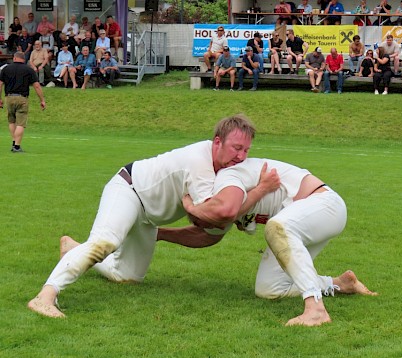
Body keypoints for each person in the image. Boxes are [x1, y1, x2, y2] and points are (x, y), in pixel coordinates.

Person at [27, 115, 259, 318]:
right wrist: (254, 196)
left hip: (149, 217)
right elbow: (211, 217)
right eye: (236, 148)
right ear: (218, 142)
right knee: (105, 242)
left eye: (246, 150)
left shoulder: (225, 169)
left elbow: (212, 230)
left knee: (127, 276)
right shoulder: (199, 161)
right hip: (129, 189)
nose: (241, 156)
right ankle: (45, 296)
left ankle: (72, 248)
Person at [174, 158, 378, 327]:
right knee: (269, 288)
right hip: (299, 223)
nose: (213, 225)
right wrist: (161, 234)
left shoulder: (227, 182)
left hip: (325, 205)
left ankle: (316, 310)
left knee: (277, 226)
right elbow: (208, 234)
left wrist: (192, 209)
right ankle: (340, 284)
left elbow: (223, 216)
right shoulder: (223, 201)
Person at [0, 52, 46, 153]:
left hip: (9, 97)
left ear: (14, 58)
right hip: (22, 98)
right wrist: (42, 100)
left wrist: (0, 99)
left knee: (11, 121)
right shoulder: (28, 70)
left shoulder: (6, 69)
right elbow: (37, 86)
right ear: (23, 59)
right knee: (20, 123)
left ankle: (13, 141)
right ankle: (17, 146)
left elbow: (0, 84)